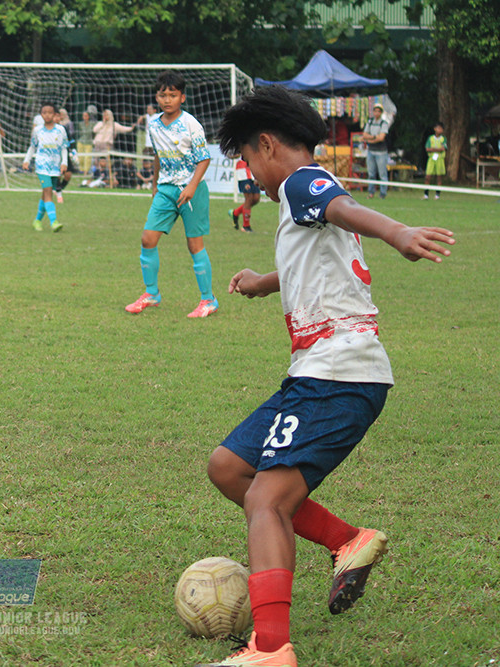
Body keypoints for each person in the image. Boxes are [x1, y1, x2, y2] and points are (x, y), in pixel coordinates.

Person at [202, 84, 455, 667]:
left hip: (338, 374)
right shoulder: (299, 200)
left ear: (268, 146)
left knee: (266, 498)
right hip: (318, 373)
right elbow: (313, 260)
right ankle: (347, 540)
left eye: (245, 157)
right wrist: (262, 281)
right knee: (230, 468)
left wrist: (397, 234)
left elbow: (342, 208)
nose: (248, 172)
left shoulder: (301, 181)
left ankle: (270, 648)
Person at [124, 71, 217, 318]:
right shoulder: (153, 124)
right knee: (147, 239)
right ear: (157, 96)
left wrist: (191, 187)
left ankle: (208, 300)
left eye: (173, 95)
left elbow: (204, 158)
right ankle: (151, 293)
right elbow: (157, 155)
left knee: (194, 245)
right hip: (165, 190)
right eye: (163, 95)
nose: (167, 100)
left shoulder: (191, 124)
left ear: (182, 98)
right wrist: (155, 185)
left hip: (191, 191)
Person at [22, 102, 68, 233]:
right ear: (41, 115)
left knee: (45, 194)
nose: (47, 115)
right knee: (48, 191)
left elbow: (64, 148)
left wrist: (64, 163)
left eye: (50, 112)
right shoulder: (37, 131)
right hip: (41, 165)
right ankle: (54, 222)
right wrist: (27, 160)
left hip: (55, 166)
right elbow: (32, 146)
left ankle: (37, 220)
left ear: (54, 115)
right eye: (44, 112)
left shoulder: (61, 130)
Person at [362, 102, 390, 199]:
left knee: (382, 174)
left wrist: (370, 139)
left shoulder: (384, 123)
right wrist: (374, 138)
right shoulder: (370, 122)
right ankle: (371, 192)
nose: (376, 113)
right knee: (371, 173)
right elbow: (364, 135)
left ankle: (382, 194)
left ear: (381, 113)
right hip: (371, 151)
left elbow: (381, 138)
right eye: (375, 111)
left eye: (378, 111)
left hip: (381, 152)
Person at [228, 158, 260, 232]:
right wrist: (238, 153)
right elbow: (231, 154)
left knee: (256, 199)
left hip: (254, 170)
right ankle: (246, 226)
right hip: (243, 174)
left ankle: (235, 213)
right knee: (248, 199)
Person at [423, 122, 447, 199]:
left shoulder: (443, 139)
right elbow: (427, 149)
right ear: (435, 129)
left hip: (439, 159)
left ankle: (437, 195)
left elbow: (443, 149)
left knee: (439, 177)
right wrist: (436, 149)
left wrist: (433, 149)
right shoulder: (430, 138)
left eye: (441, 129)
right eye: (438, 128)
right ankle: (426, 194)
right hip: (431, 159)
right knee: (428, 176)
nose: (439, 130)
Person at [77, 110, 96, 175]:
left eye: (86, 116)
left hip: (89, 142)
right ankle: (81, 170)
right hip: (81, 141)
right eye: (83, 116)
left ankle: (86, 171)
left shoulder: (92, 124)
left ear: (88, 117)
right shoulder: (80, 124)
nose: (84, 117)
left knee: (88, 157)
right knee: (81, 157)